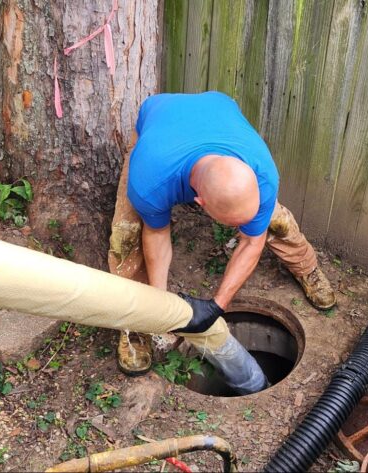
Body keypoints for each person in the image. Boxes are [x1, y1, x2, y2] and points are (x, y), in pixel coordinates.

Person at [113, 91, 335, 394]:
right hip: (159, 124)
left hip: (218, 109)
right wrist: (159, 303)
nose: (242, 228)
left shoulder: (262, 172)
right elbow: (157, 234)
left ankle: (307, 269)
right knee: (126, 235)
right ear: (199, 202)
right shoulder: (150, 179)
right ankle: (137, 323)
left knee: (275, 221)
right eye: (234, 225)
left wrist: (217, 305)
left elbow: (252, 241)